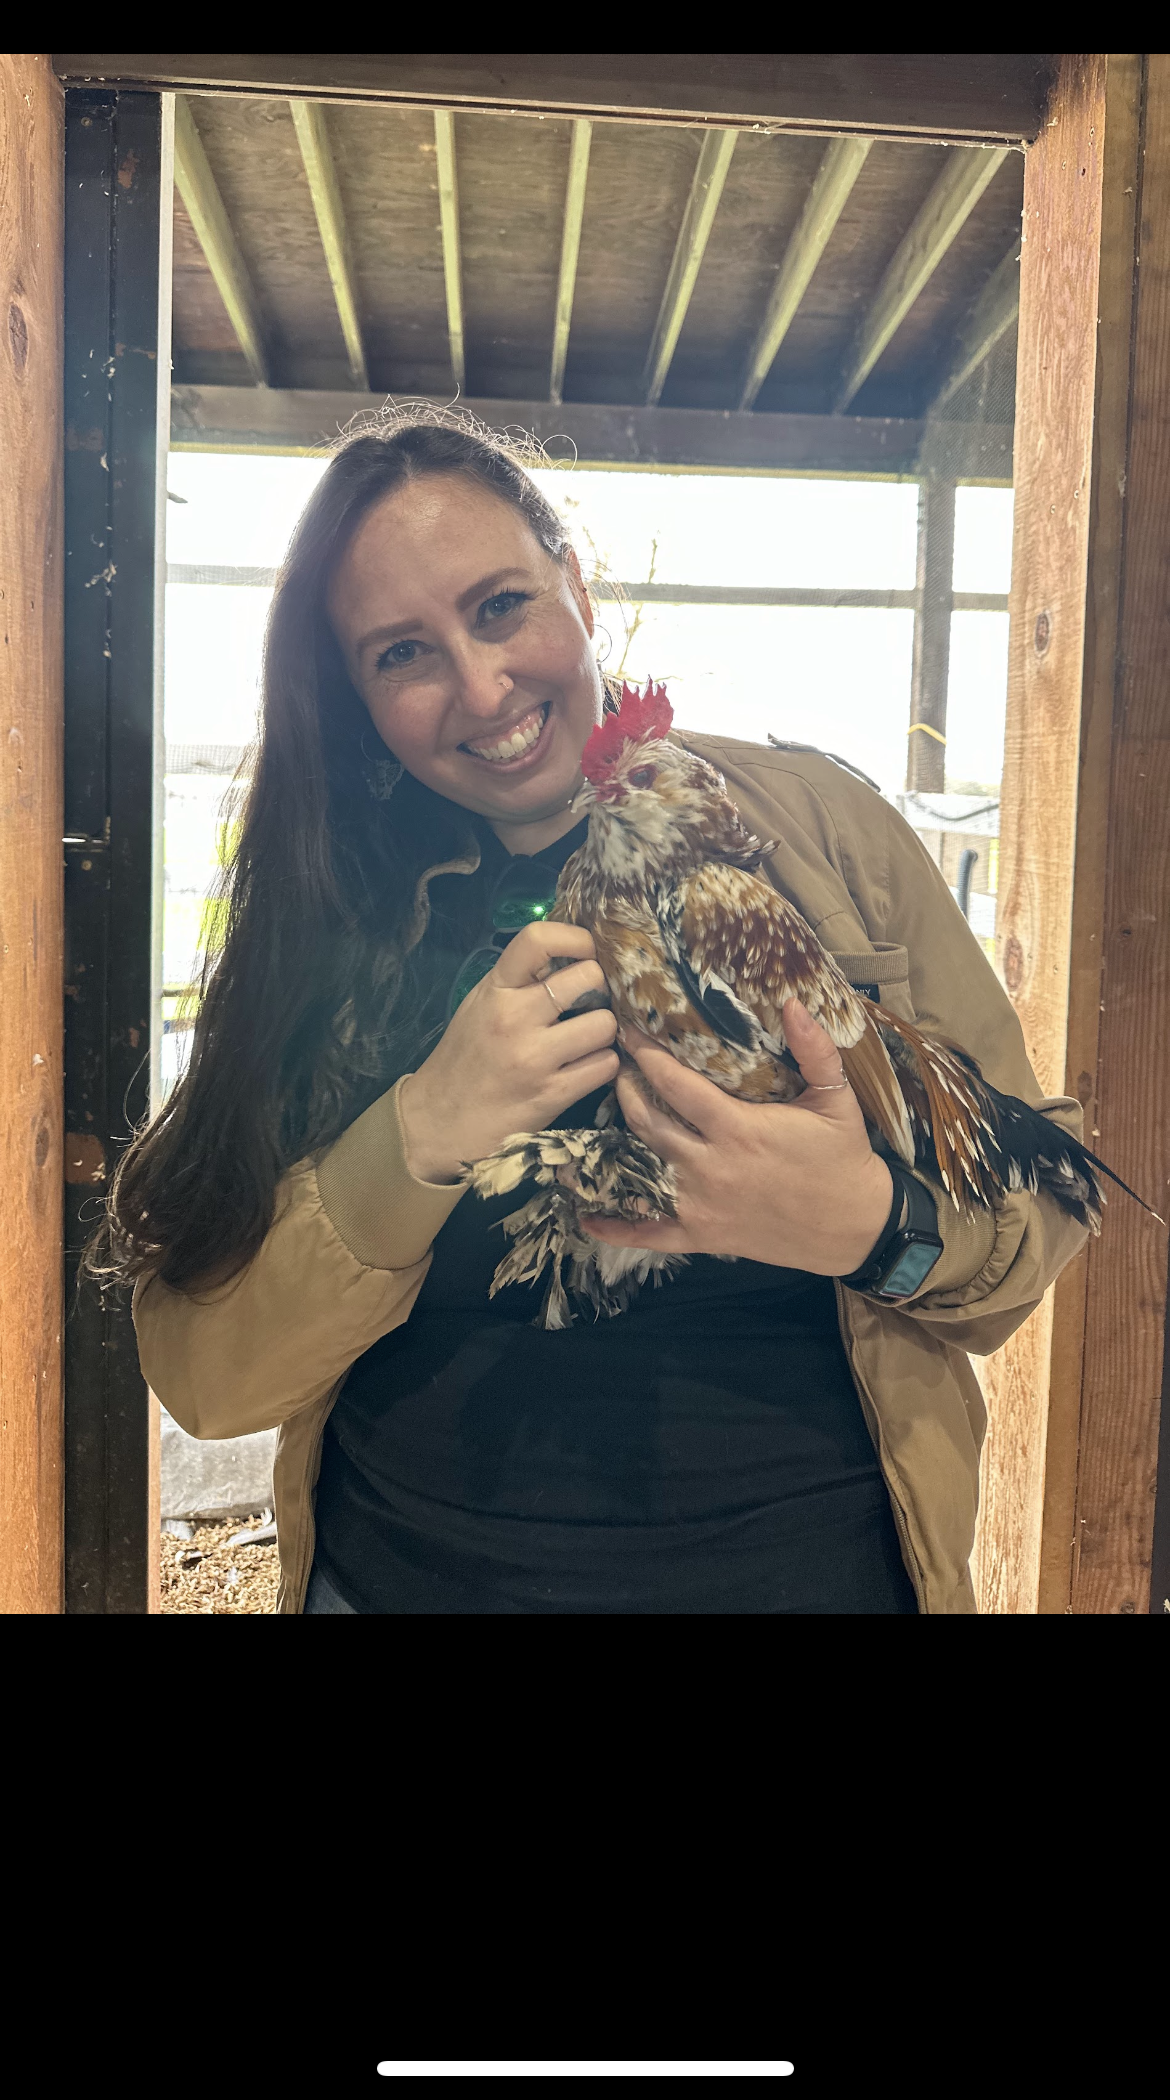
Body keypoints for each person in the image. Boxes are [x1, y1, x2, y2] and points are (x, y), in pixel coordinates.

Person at [98, 408, 1091, 1613]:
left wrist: (876, 1229)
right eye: (400, 653)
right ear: (353, 695)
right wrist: (417, 1133)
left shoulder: (826, 837)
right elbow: (207, 1381)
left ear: (572, 580)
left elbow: (1037, 1213)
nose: (482, 685)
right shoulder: (328, 914)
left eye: (501, 604)